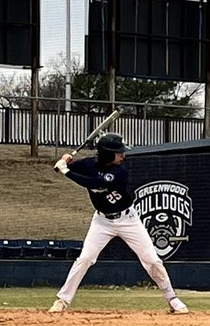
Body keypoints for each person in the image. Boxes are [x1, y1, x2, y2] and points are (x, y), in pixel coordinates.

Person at [48, 132, 189, 314]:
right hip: (102, 221)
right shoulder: (89, 164)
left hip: (128, 219)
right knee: (85, 258)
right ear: (107, 154)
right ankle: (62, 300)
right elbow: (75, 167)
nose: (123, 155)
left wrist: (66, 171)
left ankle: (172, 299)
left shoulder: (120, 171)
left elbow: (96, 183)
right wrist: (66, 161)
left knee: (152, 260)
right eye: (118, 152)